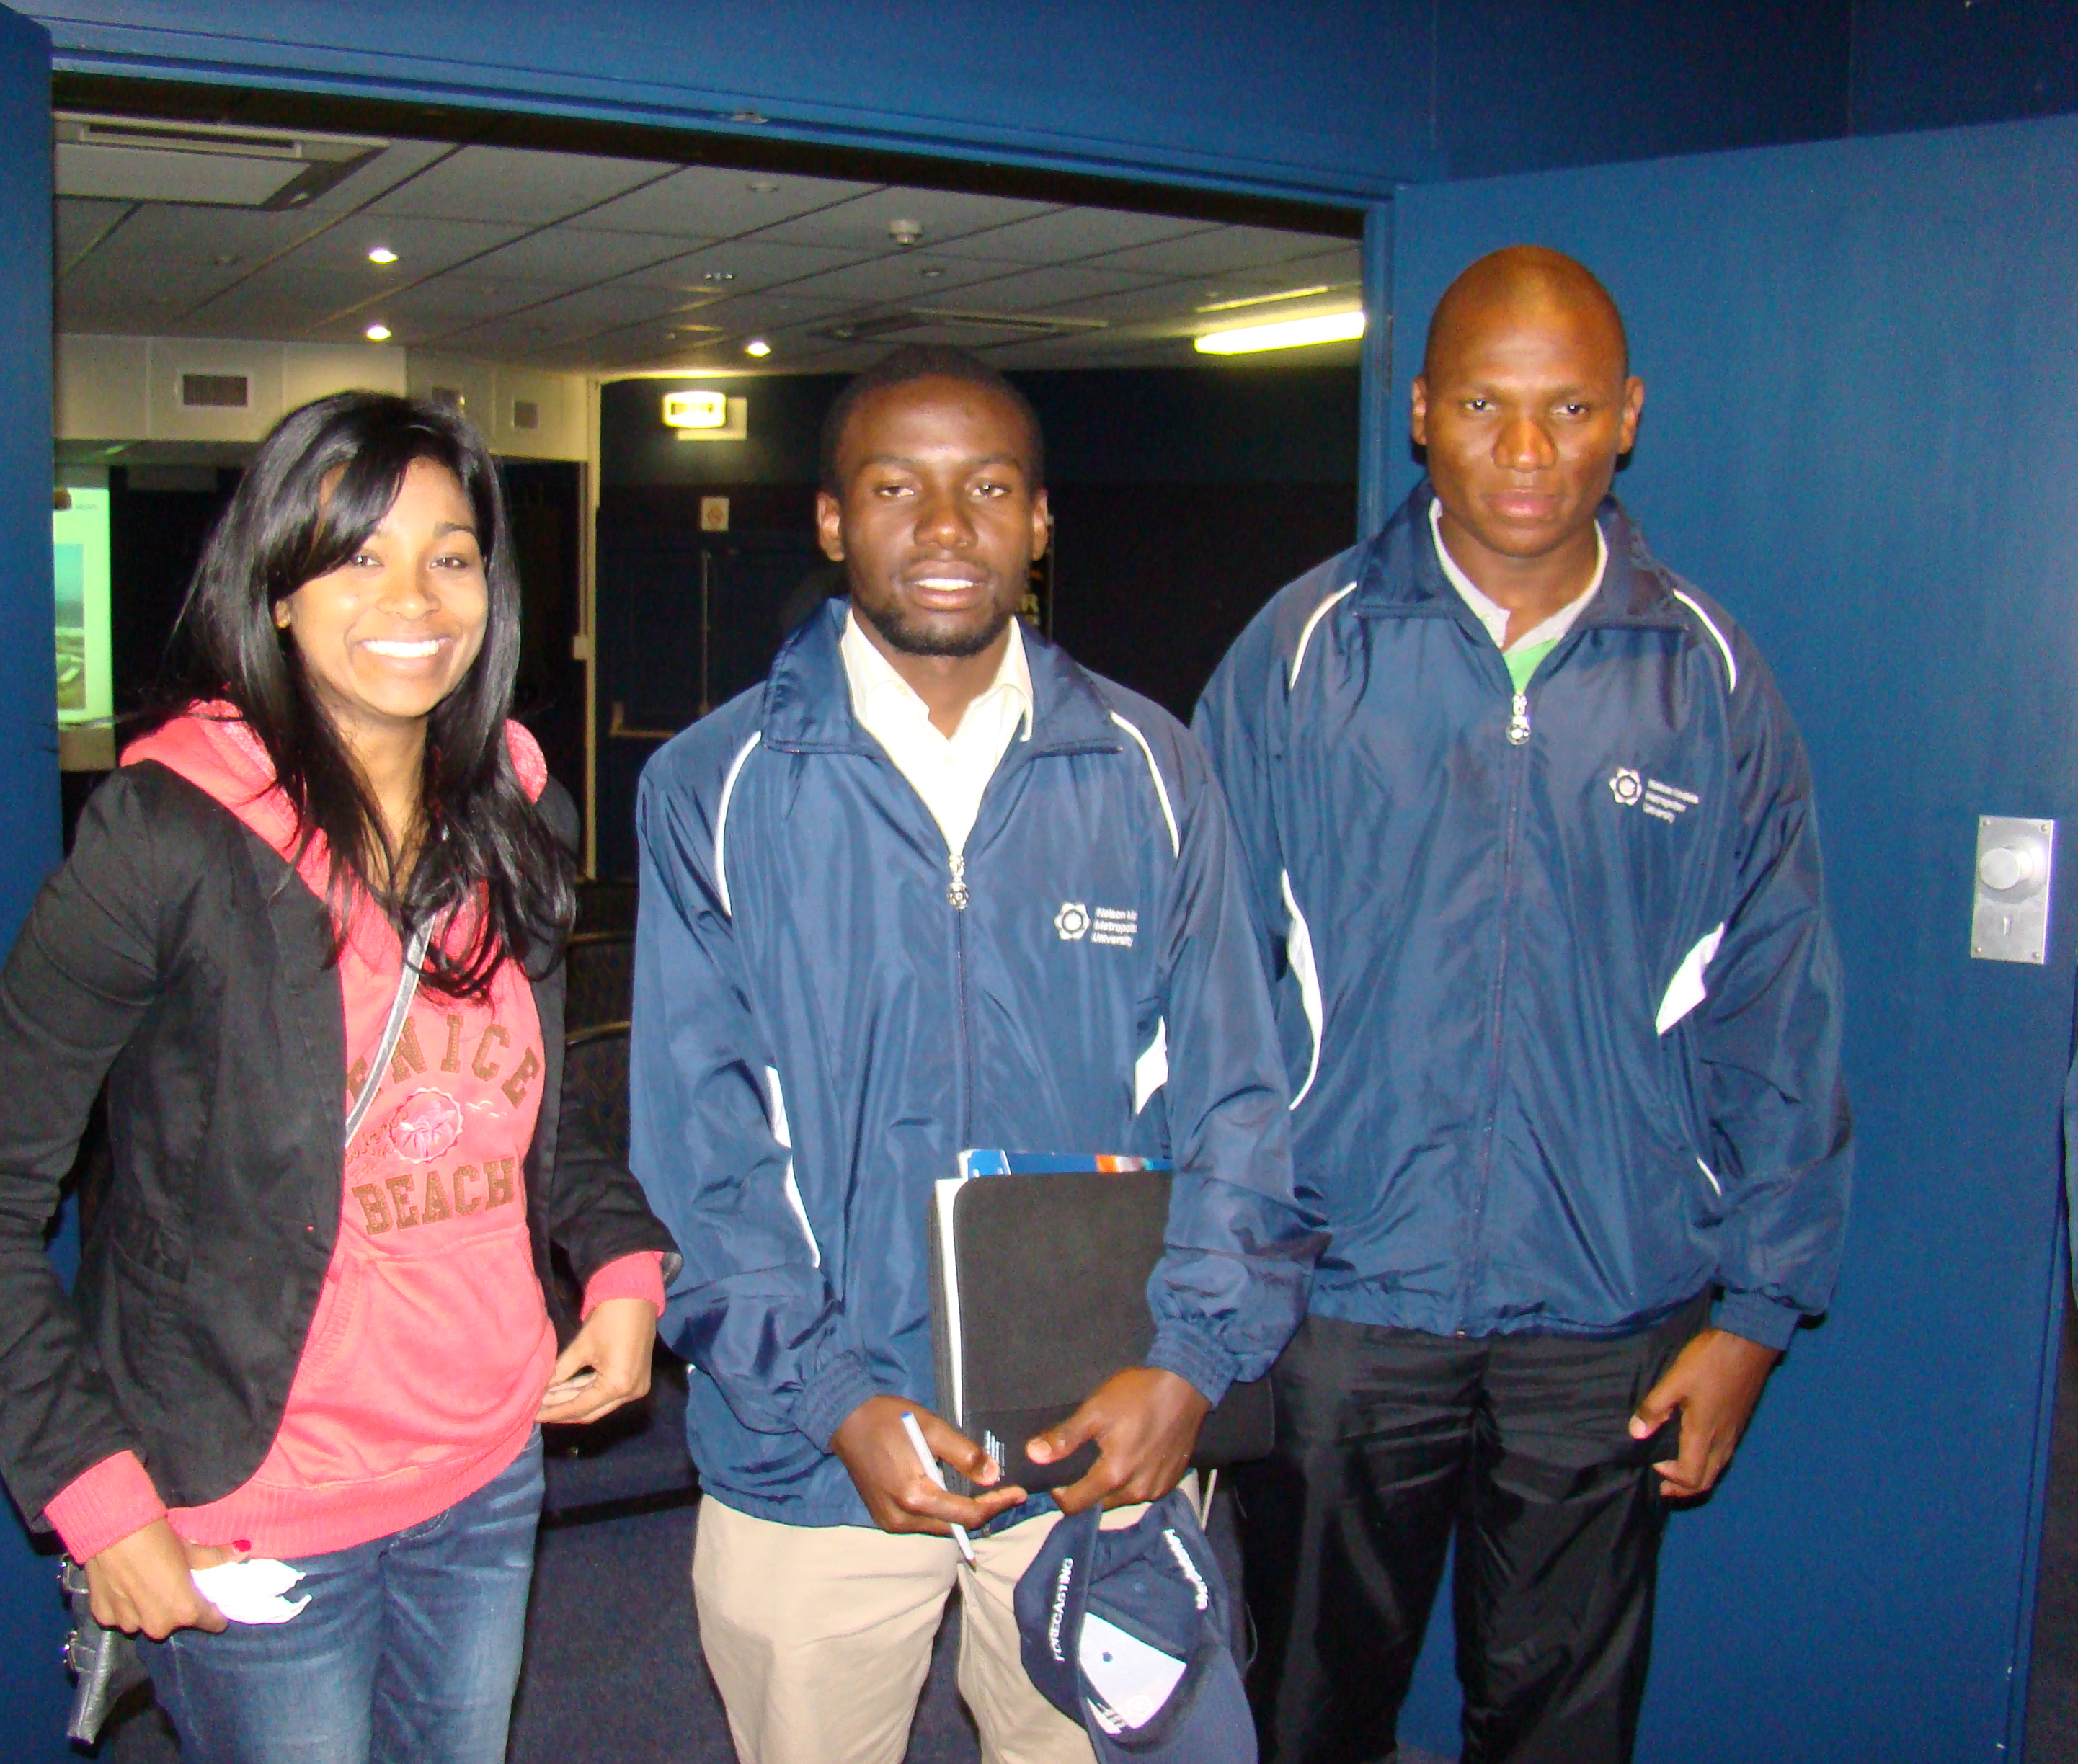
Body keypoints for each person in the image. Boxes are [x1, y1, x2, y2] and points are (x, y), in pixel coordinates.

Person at [0, 392, 675, 1764]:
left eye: (450, 555)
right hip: (260, 1494)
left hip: (485, 1467)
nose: (413, 596)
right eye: (357, 554)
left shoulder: (521, 814)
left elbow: (529, 1127)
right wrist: (95, 1495)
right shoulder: (168, 837)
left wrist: (619, 1265)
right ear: (273, 589)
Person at [1196, 246, 1853, 1764]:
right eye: (1487, 403)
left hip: (1608, 1318)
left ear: (1628, 416)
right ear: (1422, 411)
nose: (1528, 450)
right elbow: (1207, 990)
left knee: (1562, 1727)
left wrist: (1757, 1312)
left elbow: (1781, 1012)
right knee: (1305, 1715)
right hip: (1343, 1306)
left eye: (1567, 409)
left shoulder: (1708, 681)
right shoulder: (1301, 660)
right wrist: (1225, 1272)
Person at [628, 344, 1320, 1764]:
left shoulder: (1154, 769)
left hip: (1092, 1440)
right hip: (810, 1453)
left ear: (1041, 520)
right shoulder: (712, 785)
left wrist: (1188, 1365)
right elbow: (702, 1143)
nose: (946, 532)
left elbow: (1239, 1100)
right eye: (898, 488)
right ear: (831, 521)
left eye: (988, 488)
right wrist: (830, 1401)